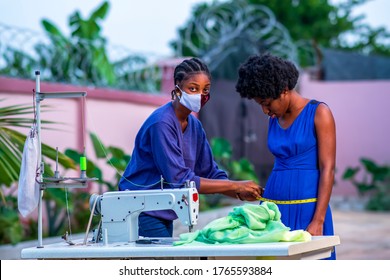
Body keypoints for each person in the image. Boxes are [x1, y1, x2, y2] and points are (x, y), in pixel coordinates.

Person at [119, 57, 262, 239]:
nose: (200, 95)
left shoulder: (194, 125)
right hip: (141, 211)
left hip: (162, 210)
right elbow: (180, 179)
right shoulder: (162, 123)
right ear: (177, 89)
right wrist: (235, 185)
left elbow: (210, 172)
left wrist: (240, 193)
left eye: (205, 90)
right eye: (193, 89)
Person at [235, 53, 336, 260]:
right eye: (259, 104)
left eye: (266, 103)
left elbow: (328, 168)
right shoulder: (274, 118)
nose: (264, 110)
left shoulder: (319, 112)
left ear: (283, 91)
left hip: (308, 208)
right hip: (273, 209)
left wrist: (318, 220)